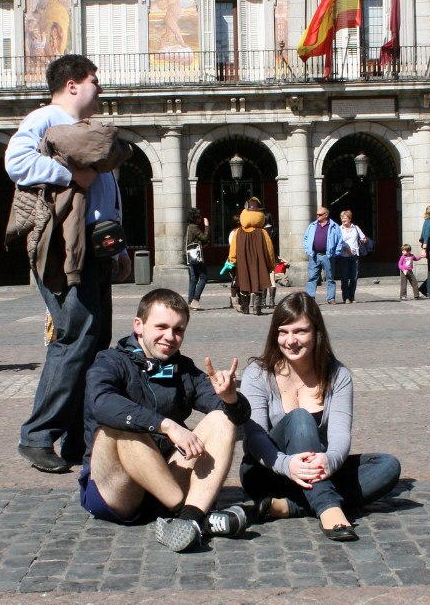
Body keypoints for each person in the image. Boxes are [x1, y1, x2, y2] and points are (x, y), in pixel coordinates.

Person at [5, 54, 130, 474]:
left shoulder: (88, 133)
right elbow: (16, 162)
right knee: (74, 338)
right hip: (63, 251)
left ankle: (80, 438)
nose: (100, 87)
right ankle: (37, 436)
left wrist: (121, 250)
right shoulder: (45, 117)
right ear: (72, 84)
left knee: (95, 343)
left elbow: (106, 199)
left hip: (94, 251)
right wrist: (69, 177)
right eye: (95, 79)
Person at [79, 288, 251, 553]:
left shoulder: (185, 370)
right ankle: (195, 513)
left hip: (165, 483)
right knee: (121, 424)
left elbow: (238, 419)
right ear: (138, 325)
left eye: (178, 330)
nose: (170, 337)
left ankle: (190, 520)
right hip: (117, 489)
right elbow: (100, 403)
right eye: (161, 327)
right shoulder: (110, 361)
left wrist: (230, 399)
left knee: (221, 419)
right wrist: (166, 425)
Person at [239, 292, 401, 542]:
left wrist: (331, 460)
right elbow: (254, 437)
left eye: (300, 332)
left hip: (319, 471)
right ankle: (328, 508)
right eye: (283, 332)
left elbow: (339, 434)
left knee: (388, 466)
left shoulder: (338, 375)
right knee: (301, 418)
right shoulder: (257, 374)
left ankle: (290, 506)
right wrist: (287, 464)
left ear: (316, 333)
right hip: (269, 472)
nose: (290, 341)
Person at [228, 197, 275, 316]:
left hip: (243, 261)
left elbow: (233, 248)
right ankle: (257, 308)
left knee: (243, 284)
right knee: (258, 283)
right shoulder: (262, 232)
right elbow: (270, 250)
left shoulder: (238, 232)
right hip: (259, 262)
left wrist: (232, 259)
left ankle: (245, 308)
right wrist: (271, 263)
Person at [302, 206, 343, 305]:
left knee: (330, 278)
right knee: (312, 277)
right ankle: (310, 298)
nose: (318, 216)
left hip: (328, 255)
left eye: (320, 214)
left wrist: (336, 253)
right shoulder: (312, 225)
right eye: (317, 214)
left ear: (326, 215)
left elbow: (340, 241)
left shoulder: (334, 226)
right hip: (314, 255)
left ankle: (331, 298)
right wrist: (308, 250)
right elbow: (305, 238)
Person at [337, 210, 370, 304]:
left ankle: (352, 296)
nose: (343, 219)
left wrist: (363, 240)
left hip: (354, 256)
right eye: (342, 217)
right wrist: (347, 250)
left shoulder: (355, 228)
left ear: (350, 218)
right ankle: (346, 298)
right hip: (344, 256)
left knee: (354, 277)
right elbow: (338, 241)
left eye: (345, 217)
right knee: (344, 277)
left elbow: (363, 237)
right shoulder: (339, 229)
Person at [185, 208, 210, 310]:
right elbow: (204, 237)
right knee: (204, 276)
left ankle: (190, 302)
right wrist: (207, 226)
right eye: (199, 217)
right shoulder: (193, 227)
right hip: (195, 257)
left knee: (193, 279)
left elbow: (196, 241)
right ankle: (195, 299)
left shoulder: (189, 227)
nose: (200, 218)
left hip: (191, 257)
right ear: (196, 218)